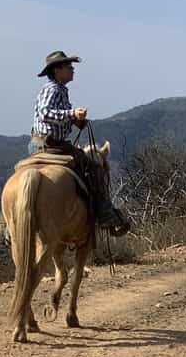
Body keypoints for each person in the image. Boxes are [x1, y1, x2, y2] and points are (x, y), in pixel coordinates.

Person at [30, 50, 127, 231]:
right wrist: (71, 113)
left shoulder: (59, 89)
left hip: (39, 143)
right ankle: (104, 213)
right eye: (69, 67)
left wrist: (75, 121)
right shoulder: (53, 89)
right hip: (52, 145)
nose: (72, 70)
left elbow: (55, 117)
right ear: (57, 70)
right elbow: (45, 113)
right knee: (92, 166)